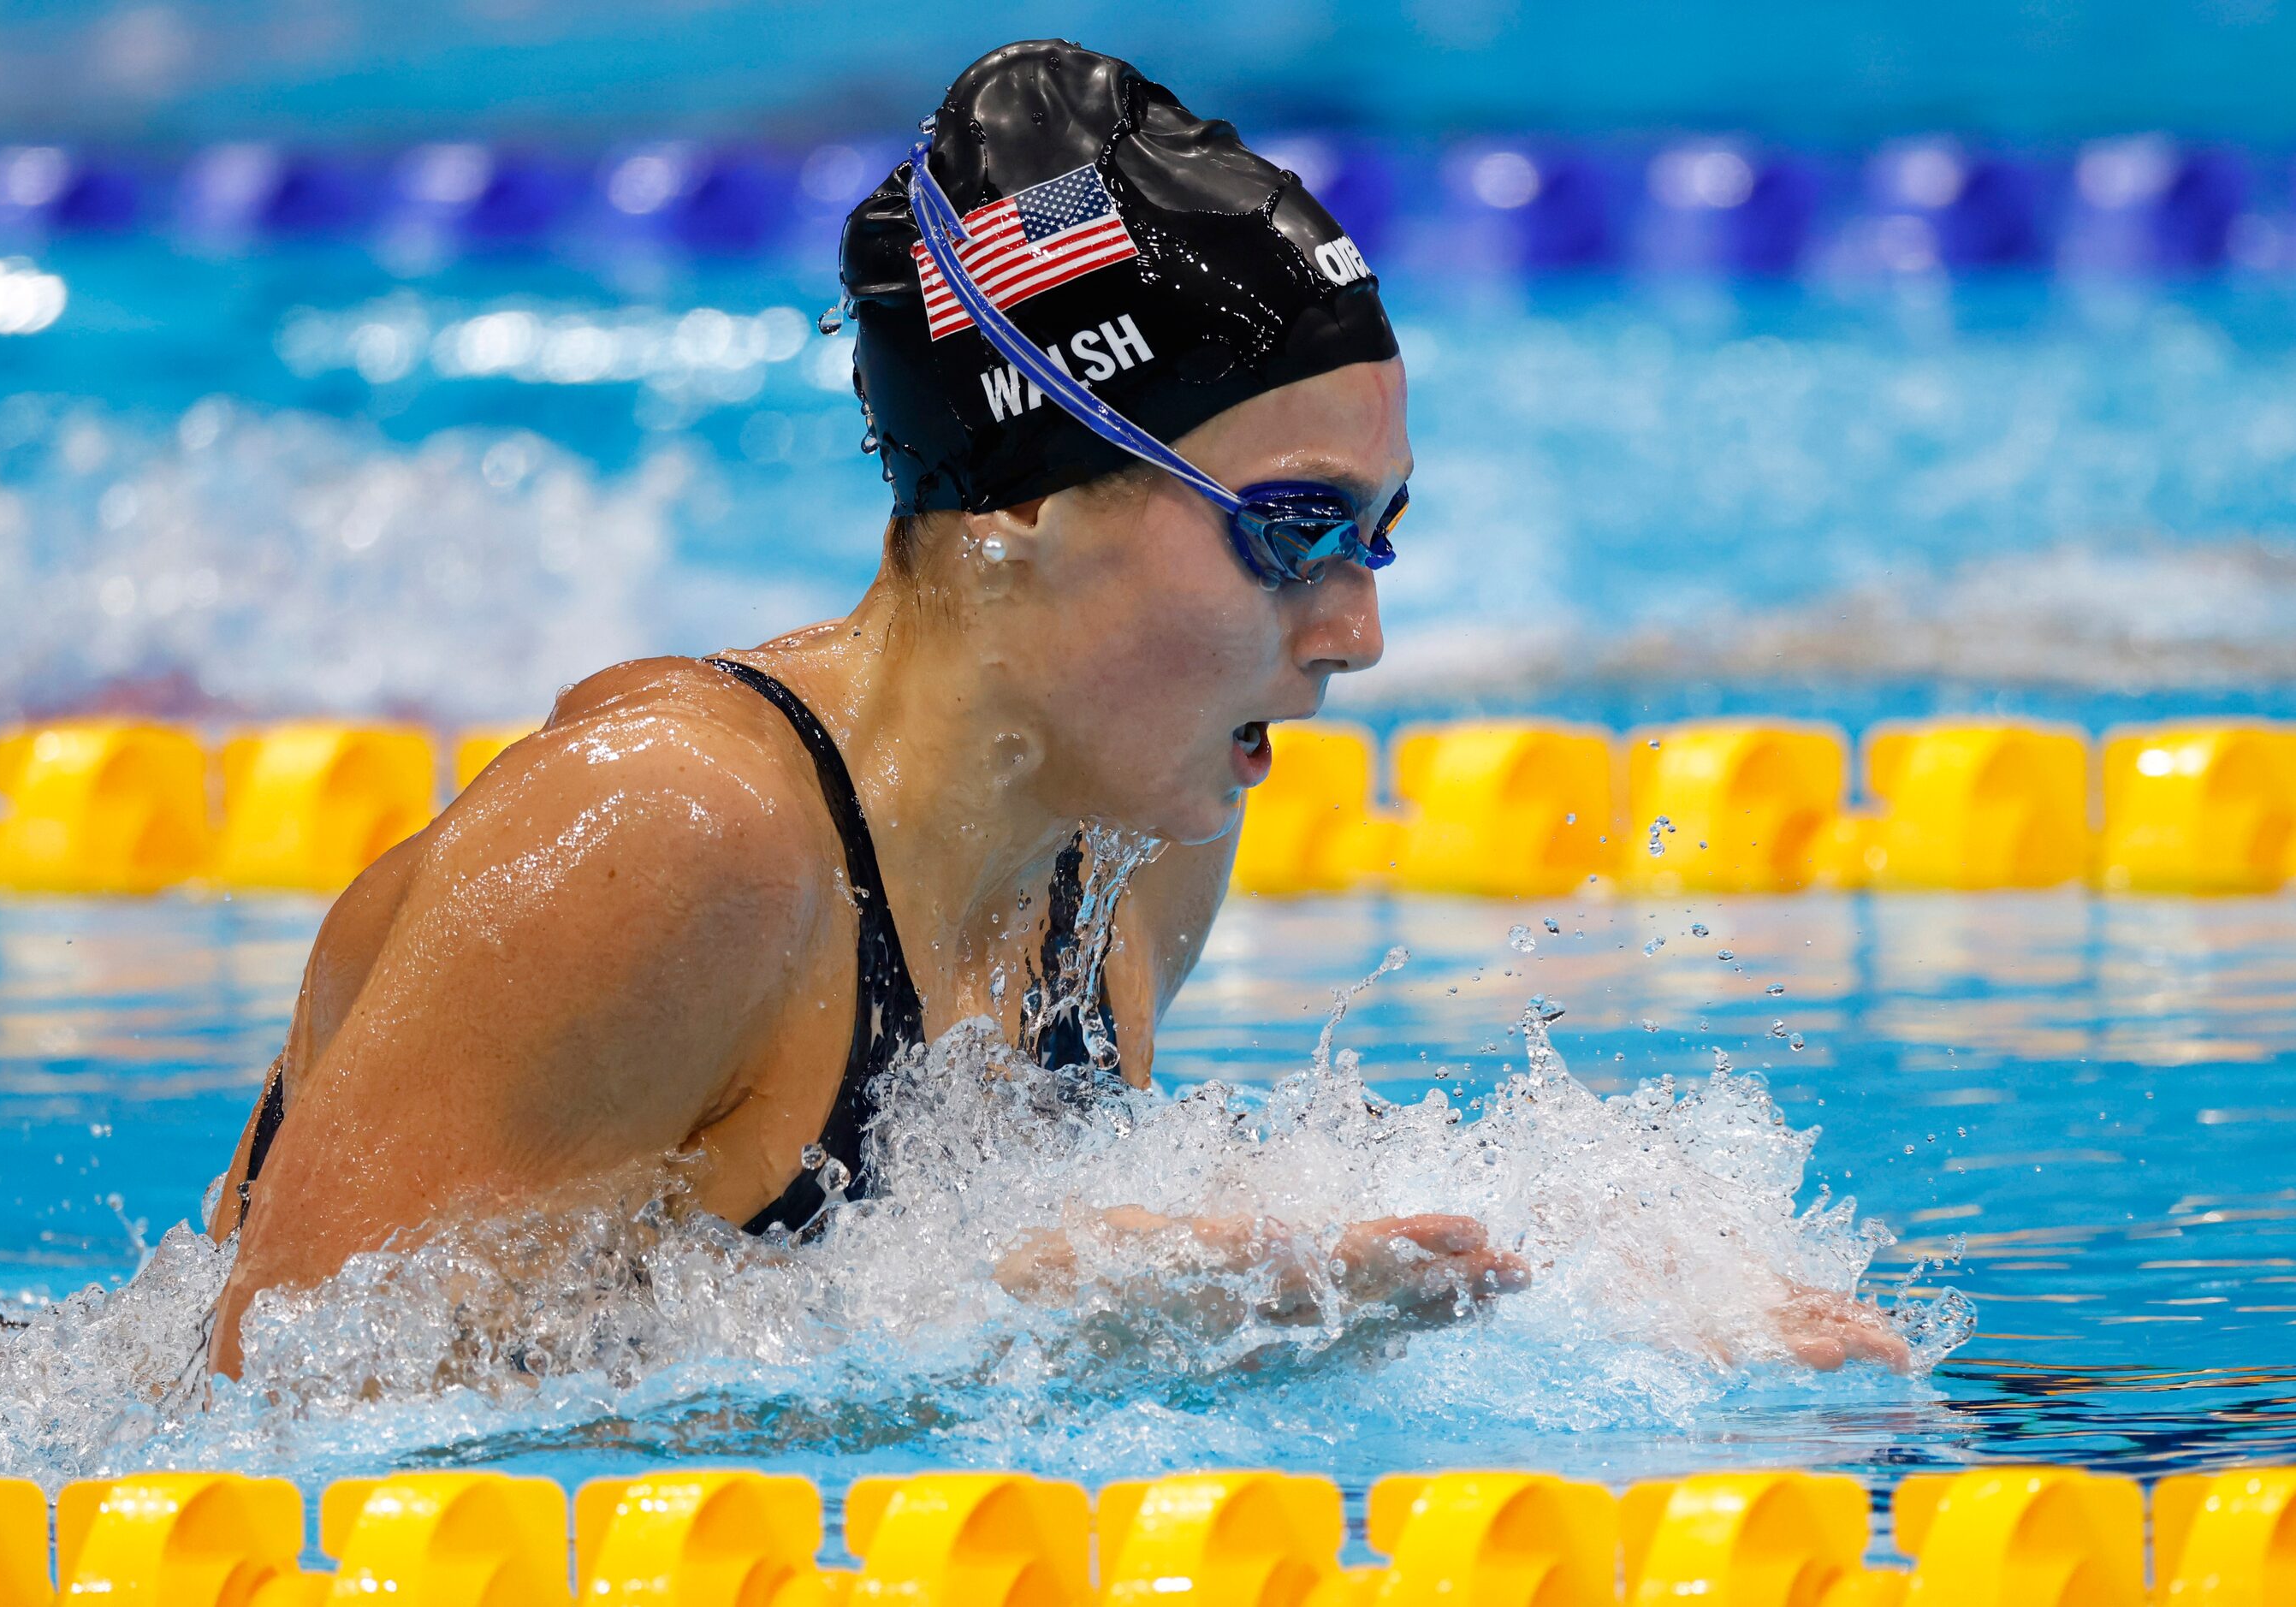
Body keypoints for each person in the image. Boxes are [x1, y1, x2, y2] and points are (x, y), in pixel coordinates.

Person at [203, 40, 1907, 1379]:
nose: (1360, 630)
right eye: (1292, 528)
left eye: (1380, 534)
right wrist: (1001, 1317)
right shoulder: (675, 839)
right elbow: (275, 1411)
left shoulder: (1136, 851)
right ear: (1025, 513)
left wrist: (1621, 1295)